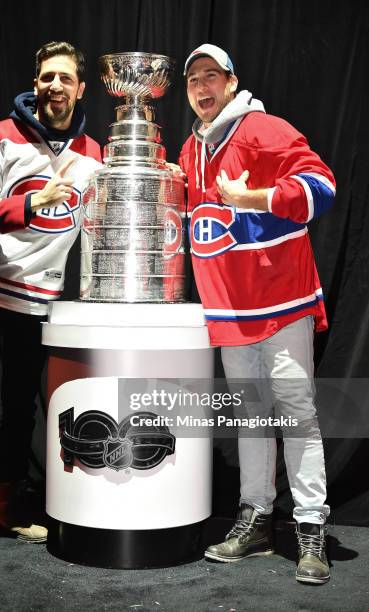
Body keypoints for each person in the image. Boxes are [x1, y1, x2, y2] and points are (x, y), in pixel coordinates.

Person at [0, 41, 102, 563]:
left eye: (64, 78)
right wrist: (32, 202)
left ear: (80, 88)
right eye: (46, 77)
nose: (54, 85)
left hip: (35, 300)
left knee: (19, 409)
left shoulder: (93, 154)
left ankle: (7, 506)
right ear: (36, 84)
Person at [178, 44, 336, 584]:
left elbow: (321, 187)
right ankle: (256, 519)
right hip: (230, 309)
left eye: (211, 76)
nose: (202, 86)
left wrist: (258, 199)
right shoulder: (188, 150)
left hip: (282, 300)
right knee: (250, 417)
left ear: (231, 81)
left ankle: (310, 525)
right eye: (193, 79)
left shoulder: (263, 128)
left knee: (295, 411)